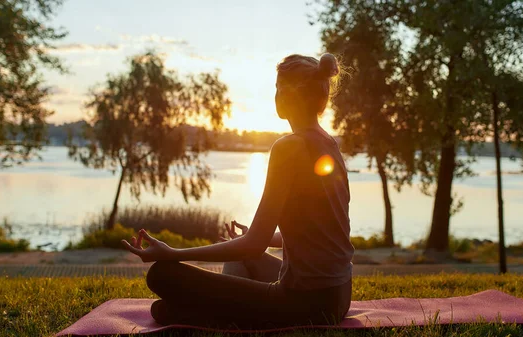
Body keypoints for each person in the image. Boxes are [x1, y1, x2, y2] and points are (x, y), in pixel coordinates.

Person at [122, 53, 354, 329]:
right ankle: (215, 311)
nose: (275, 95)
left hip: (304, 303)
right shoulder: (329, 143)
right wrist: (263, 238)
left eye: (278, 88)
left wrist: (171, 253)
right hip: (339, 295)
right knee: (241, 264)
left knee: (162, 275)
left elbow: (253, 244)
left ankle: (209, 314)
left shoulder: (288, 147)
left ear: (287, 94)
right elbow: (320, 230)